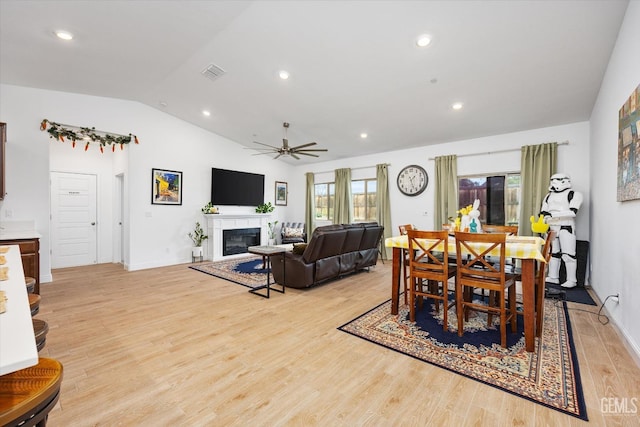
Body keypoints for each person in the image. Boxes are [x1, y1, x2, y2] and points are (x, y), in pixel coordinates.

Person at [540, 173, 583, 288]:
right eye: (552, 180)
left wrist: (552, 214)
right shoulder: (548, 196)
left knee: (568, 254)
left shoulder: (574, 194)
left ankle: (571, 279)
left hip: (566, 226)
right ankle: (553, 277)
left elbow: (573, 212)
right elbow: (543, 212)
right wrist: (543, 221)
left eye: (557, 180)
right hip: (551, 227)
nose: (554, 183)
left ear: (565, 181)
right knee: (553, 254)